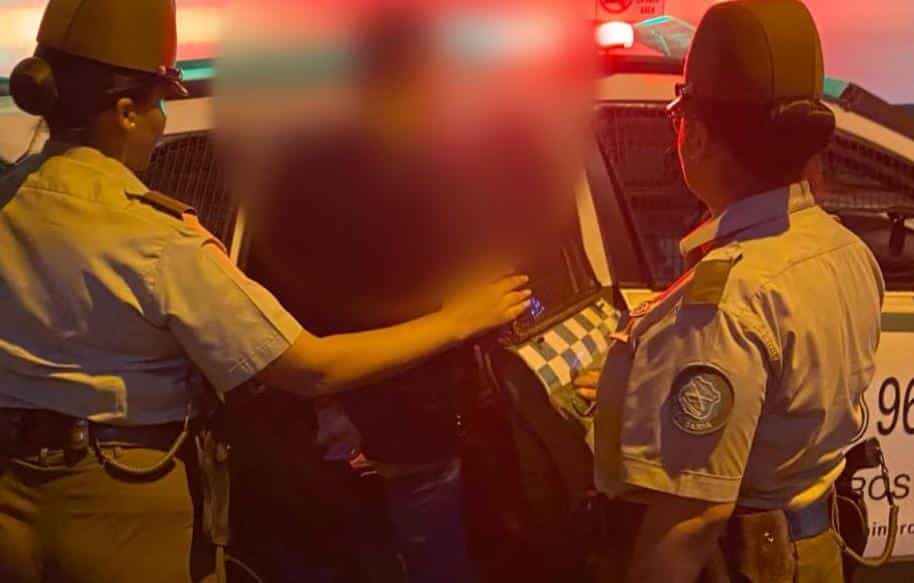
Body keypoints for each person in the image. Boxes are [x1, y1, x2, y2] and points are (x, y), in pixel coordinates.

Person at [0, 1, 531, 582]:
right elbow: (310, 368)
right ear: (125, 113)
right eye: (158, 105)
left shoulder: (11, 199)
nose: (160, 124)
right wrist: (461, 318)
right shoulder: (154, 238)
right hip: (122, 507)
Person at [581, 1, 885, 581]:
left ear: (693, 136)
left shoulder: (725, 304)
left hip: (748, 563)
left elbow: (692, 519)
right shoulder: (844, 249)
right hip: (811, 548)